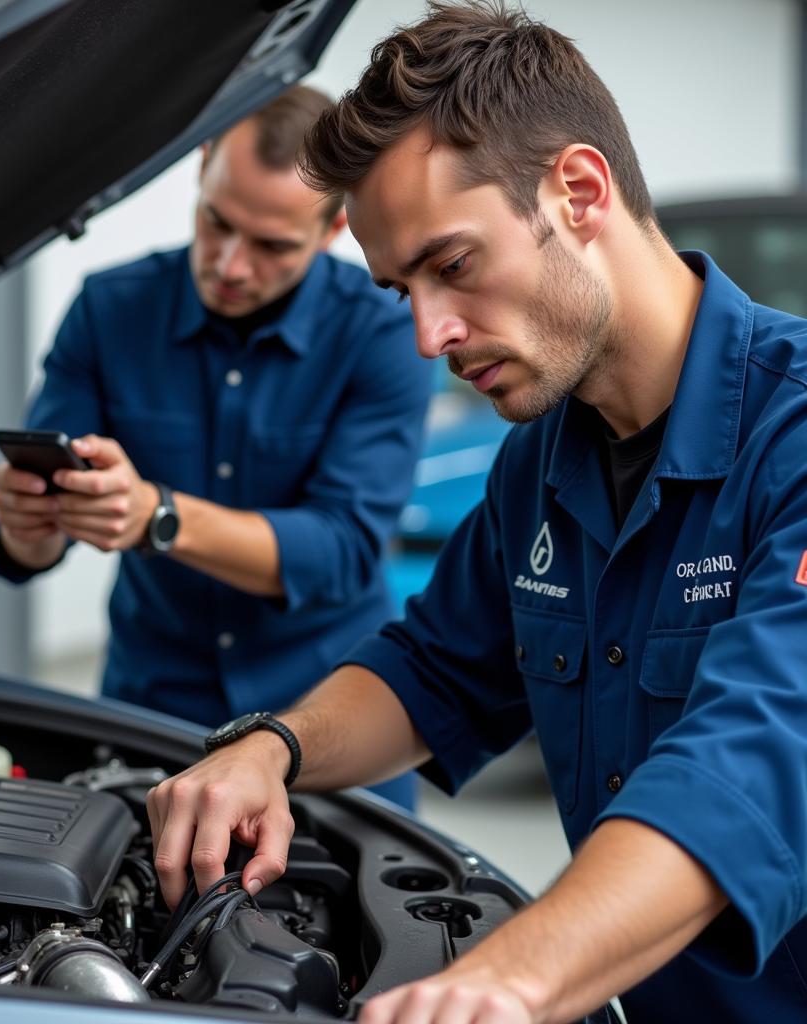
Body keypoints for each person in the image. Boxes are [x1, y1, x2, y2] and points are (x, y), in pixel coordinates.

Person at [145, 4, 807, 1022]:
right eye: (398, 286)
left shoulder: (792, 434)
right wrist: (269, 747)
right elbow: (434, 668)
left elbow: (753, 760)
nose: (427, 333)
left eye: (450, 265)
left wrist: (507, 975)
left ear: (577, 191)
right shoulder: (536, 463)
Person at [0, 86, 432, 809]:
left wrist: (157, 516)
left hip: (327, 717)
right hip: (152, 709)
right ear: (201, 169)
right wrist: (30, 523)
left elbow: (343, 549)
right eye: (216, 222)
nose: (228, 264)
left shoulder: (383, 332)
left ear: (331, 230)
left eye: (271, 246)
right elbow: (29, 546)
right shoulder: (109, 309)